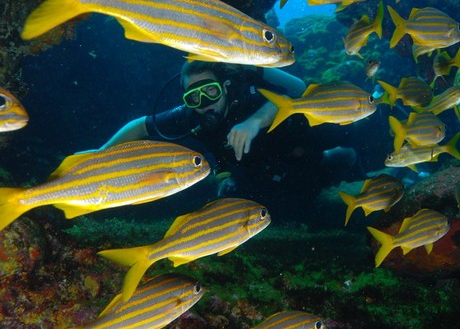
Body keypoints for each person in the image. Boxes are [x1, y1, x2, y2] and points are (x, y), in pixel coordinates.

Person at [101, 61, 362, 217]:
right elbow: (140, 126)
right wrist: (100, 155)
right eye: (194, 98)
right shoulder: (192, 114)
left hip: (299, 145)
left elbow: (295, 95)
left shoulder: (245, 96)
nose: (205, 105)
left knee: (343, 152)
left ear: (225, 88)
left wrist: (253, 122)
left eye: (211, 92)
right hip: (256, 168)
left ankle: (341, 156)